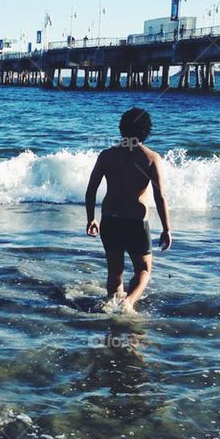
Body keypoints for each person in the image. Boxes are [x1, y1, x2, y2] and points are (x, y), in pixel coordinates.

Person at [85, 108, 172, 313]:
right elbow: (160, 196)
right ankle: (129, 302)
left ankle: (110, 310)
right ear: (146, 131)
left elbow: (91, 190)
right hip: (135, 221)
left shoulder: (106, 155)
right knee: (143, 269)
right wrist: (167, 229)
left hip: (110, 219)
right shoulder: (150, 158)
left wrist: (91, 219)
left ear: (121, 128)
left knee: (115, 271)